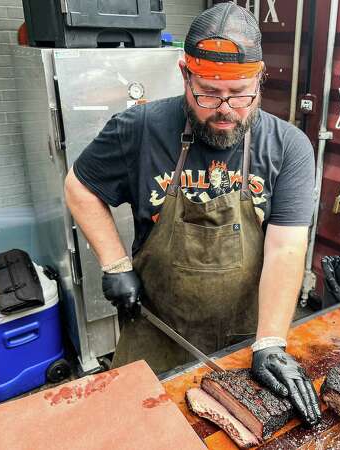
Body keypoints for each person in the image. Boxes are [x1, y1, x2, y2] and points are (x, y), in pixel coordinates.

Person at [64, 3, 321, 426]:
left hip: (245, 339)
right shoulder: (139, 128)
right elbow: (80, 186)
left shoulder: (288, 147)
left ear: (259, 78)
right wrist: (114, 264)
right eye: (208, 93)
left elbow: (286, 248)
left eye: (241, 94)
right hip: (157, 330)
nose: (225, 110)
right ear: (185, 74)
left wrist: (271, 342)